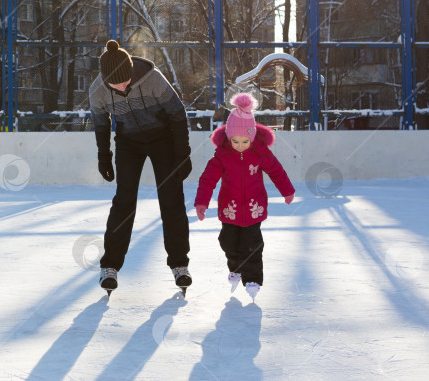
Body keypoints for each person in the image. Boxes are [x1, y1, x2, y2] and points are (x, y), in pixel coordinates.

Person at [89, 40, 193, 294]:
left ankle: (180, 264)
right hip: (128, 142)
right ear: (105, 80)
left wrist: (183, 153)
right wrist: (104, 155)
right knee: (124, 200)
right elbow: (102, 125)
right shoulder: (97, 91)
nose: (123, 87)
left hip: (163, 138)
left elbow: (178, 114)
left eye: (126, 81)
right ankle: (110, 266)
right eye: (116, 84)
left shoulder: (152, 78)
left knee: (171, 199)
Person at [194, 93, 295, 301]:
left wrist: (287, 190)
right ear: (228, 137)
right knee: (228, 241)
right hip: (229, 209)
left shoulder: (260, 152)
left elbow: (276, 171)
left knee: (252, 244)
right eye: (235, 141)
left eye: (244, 141)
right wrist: (202, 202)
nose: (240, 145)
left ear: (252, 136)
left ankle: (253, 279)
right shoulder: (222, 155)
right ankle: (236, 268)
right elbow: (207, 179)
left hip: (253, 208)